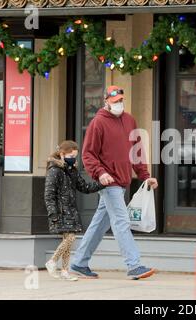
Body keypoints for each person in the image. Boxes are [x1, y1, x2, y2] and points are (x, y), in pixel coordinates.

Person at [70, 85, 158, 280]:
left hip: (122, 180)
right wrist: (100, 173)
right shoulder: (98, 123)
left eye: (121, 100)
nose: (119, 104)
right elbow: (88, 155)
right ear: (106, 102)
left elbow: (137, 152)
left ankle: (79, 262)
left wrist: (145, 176)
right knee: (121, 221)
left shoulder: (129, 120)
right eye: (115, 101)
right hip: (109, 183)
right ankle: (134, 265)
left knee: (99, 224)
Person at [44, 140, 105, 281]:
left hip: (70, 210)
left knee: (68, 240)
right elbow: (49, 195)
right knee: (71, 238)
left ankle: (65, 271)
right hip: (60, 211)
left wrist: (101, 184)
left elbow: (84, 187)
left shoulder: (71, 170)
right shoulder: (54, 170)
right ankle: (52, 261)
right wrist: (53, 213)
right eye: (71, 155)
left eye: (75, 156)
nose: (73, 159)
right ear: (62, 154)